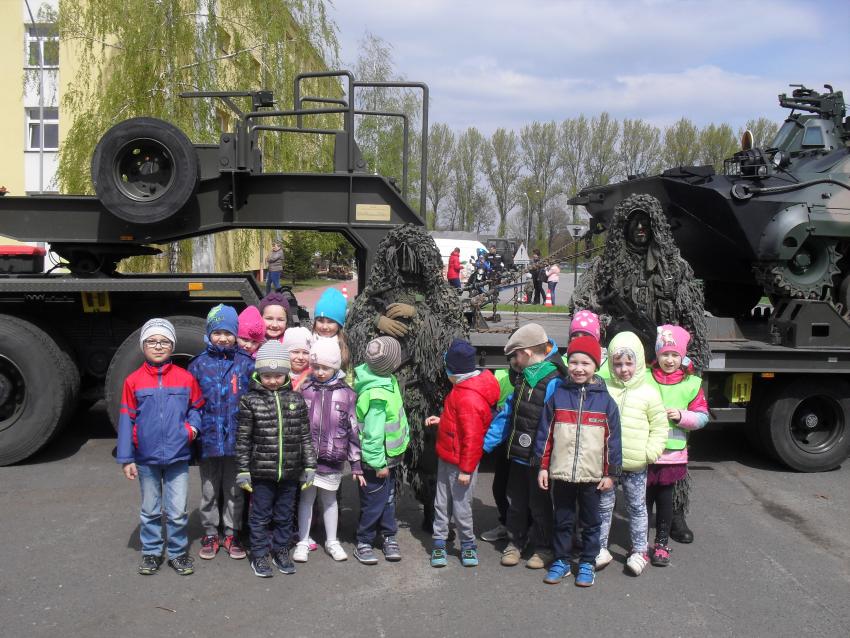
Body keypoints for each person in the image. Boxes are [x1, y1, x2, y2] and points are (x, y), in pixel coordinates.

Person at [116, 318, 204, 576]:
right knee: (150, 510)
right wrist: (126, 458)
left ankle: (177, 553)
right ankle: (152, 551)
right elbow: (126, 419)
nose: (158, 346)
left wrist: (191, 430)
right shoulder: (133, 381)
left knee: (177, 511)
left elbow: (197, 408)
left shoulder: (185, 378)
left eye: (164, 341)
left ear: (172, 346)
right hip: (146, 458)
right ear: (143, 346)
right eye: (152, 341)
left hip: (178, 456)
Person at [536, 335, 622, 587]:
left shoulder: (606, 402)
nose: (579, 368)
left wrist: (610, 473)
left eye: (585, 363)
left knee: (591, 522)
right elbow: (545, 434)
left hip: (592, 476)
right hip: (561, 473)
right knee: (562, 519)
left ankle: (587, 562)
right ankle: (561, 560)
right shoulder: (558, 396)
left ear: (596, 365)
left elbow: (613, 441)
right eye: (574, 362)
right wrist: (543, 466)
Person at [482, 323, 565, 570]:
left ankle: (543, 547)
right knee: (516, 503)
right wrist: (485, 444)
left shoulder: (554, 381)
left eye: (516, 356)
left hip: (539, 459)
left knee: (540, 506)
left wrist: (547, 458)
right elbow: (507, 415)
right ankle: (515, 541)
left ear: (527, 353)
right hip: (518, 455)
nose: (514, 362)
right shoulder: (523, 378)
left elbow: (555, 423)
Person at [235, 340, 316, 578]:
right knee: (260, 516)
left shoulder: (296, 400)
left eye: (278, 375)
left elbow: (305, 435)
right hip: (261, 473)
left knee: (284, 515)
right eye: (267, 375)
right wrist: (243, 469)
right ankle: (259, 554)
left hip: (290, 471)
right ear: (259, 374)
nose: (272, 380)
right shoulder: (249, 400)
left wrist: (310, 465)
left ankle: (281, 550)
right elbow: (243, 438)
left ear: (286, 374)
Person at [597, 331, 667, 576]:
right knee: (603, 506)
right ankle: (599, 547)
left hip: (636, 464)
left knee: (637, 508)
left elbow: (660, 426)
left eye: (629, 363)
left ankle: (639, 550)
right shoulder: (604, 388)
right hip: (607, 465)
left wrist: (650, 452)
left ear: (639, 361)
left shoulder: (649, 392)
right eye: (617, 364)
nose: (623, 369)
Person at [425, 339, 500, 568]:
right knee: (441, 502)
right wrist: (443, 420)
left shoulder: (468, 397)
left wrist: (466, 470)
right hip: (448, 456)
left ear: (454, 372)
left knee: (460, 506)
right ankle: (439, 541)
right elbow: (460, 423)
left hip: (461, 464)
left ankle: (467, 543)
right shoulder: (463, 389)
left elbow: (473, 438)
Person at [188, 305, 254, 562]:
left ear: (236, 334)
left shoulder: (246, 364)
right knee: (209, 490)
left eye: (228, 333)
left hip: (237, 441)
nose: (223, 338)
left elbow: (254, 401)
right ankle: (210, 532)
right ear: (209, 333)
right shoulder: (198, 364)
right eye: (217, 332)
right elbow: (191, 403)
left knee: (235, 491)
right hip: (208, 441)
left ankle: (232, 533)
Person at [646, 325, 709, 567]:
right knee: (642, 501)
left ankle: (661, 543)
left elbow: (702, 416)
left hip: (671, 455)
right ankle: (639, 544)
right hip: (645, 452)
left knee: (664, 501)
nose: (670, 360)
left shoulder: (691, 383)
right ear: (657, 355)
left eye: (675, 355)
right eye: (665, 354)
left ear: (682, 356)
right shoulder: (645, 378)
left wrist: (682, 416)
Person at [294, 339, 361, 563]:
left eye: (326, 367)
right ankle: (303, 540)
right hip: (306, 459)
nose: (320, 372)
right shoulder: (305, 389)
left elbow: (353, 429)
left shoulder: (347, 394)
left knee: (330, 500)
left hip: (332, 458)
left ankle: (332, 541)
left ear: (335, 366)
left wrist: (356, 463)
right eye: (316, 367)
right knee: (306, 499)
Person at [352, 336, 410, 565]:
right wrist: (379, 464)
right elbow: (373, 435)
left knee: (388, 499)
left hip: (389, 459)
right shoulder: (377, 393)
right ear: (393, 364)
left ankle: (388, 535)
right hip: (378, 461)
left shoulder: (384, 378)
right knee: (375, 502)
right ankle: (364, 541)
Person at [312, 287, 351, 372]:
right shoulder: (309, 342)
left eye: (330, 322)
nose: (324, 327)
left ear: (339, 325)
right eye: (320, 321)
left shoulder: (343, 346)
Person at [282, 326, 313, 391]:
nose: (300, 357)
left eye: (306, 353)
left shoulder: (314, 376)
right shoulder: (278, 376)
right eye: (295, 352)